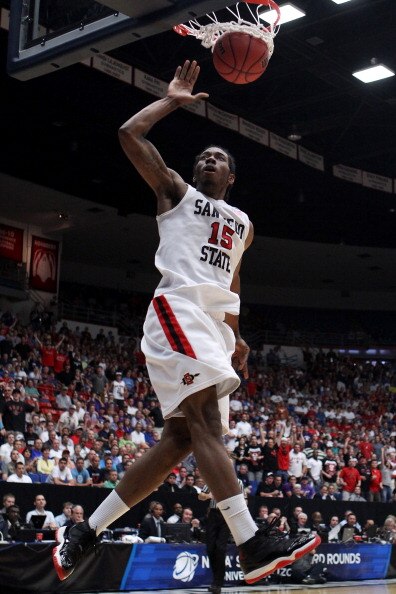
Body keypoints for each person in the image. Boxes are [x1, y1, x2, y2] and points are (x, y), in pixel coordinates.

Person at [52, 59, 318, 582]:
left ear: (232, 176)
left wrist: (236, 333)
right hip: (177, 309)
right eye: (203, 155)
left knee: (179, 439)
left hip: (212, 327)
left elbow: (233, 279)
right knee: (207, 425)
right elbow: (130, 133)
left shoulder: (243, 223)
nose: (209, 159)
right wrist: (172, 99)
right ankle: (251, 542)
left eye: (218, 157)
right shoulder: (177, 194)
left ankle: (88, 531)